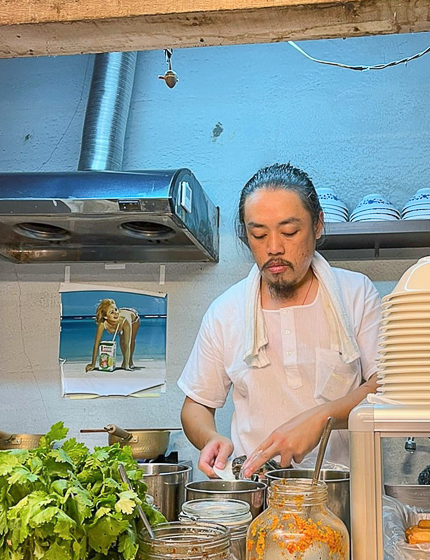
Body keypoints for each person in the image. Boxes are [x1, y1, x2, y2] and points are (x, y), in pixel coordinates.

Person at [178, 163, 381, 479]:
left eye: (289, 231)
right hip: (257, 494)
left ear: (318, 226)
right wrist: (210, 437)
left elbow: (384, 387)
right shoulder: (226, 311)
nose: (273, 248)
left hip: (342, 490)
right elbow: (196, 406)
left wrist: (321, 418)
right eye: (258, 234)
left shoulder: (356, 294)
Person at [85, 299, 141, 372]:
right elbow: (96, 344)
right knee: (122, 340)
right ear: (105, 317)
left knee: (129, 340)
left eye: (115, 309)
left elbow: (127, 344)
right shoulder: (102, 324)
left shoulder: (125, 321)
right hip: (120, 316)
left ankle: (128, 362)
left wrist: (127, 367)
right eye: (112, 312)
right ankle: (126, 361)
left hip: (133, 318)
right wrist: (93, 364)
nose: (116, 313)